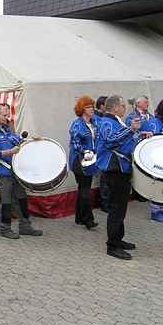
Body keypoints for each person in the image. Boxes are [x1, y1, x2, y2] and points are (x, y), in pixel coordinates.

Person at [96, 95, 152, 260]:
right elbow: (110, 141)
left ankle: (118, 239)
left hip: (121, 170)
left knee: (121, 208)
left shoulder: (116, 121)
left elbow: (124, 139)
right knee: (116, 209)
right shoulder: (107, 122)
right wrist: (132, 130)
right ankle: (112, 246)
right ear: (114, 108)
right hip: (114, 170)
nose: (124, 108)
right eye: (122, 105)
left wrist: (140, 134)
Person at [0, 104, 42, 239]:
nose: (7, 117)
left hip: (16, 171)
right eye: (4, 115)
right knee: (6, 201)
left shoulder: (8, 131)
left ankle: (25, 226)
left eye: (7, 114)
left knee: (22, 199)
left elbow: (18, 141)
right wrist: (8, 152)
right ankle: (5, 229)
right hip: (2, 173)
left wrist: (32, 140)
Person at [68, 97, 99, 230]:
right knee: (85, 188)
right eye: (88, 107)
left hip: (91, 159)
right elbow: (75, 143)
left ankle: (79, 217)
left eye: (92, 106)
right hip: (79, 160)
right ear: (82, 109)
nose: (92, 108)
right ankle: (88, 219)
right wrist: (85, 150)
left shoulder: (94, 123)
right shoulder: (76, 124)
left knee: (83, 188)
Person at [94, 95, 109, 212]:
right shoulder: (95, 119)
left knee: (106, 179)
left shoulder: (104, 118)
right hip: (100, 152)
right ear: (102, 106)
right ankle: (104, 203)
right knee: (103, 179)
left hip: (106, 152)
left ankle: (106, 201)